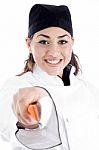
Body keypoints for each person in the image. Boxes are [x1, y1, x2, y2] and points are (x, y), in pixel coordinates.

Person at [0, 3, 99, 150]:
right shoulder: (16, 86)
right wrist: (27, 122)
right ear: (29, 44)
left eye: (62, 41)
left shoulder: (89, 91)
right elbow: (9, 127)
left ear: (72, 42)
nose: (53, 52)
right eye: (43, 42)